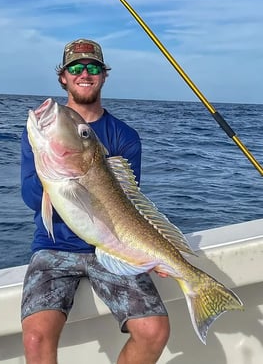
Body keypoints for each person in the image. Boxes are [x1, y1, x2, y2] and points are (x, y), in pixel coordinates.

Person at [21, 39, 170, 364]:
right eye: (76, 67)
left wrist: (149, 252)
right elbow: (33, 199)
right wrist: (49, 165)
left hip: (111, 250)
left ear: (103, 76)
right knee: (35, 337)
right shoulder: (43, 132)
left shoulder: (124, 136)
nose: (84, 73)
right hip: (53, 247)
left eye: (93, 67)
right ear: (63, 77)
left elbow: (128, 205)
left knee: (154, 330)